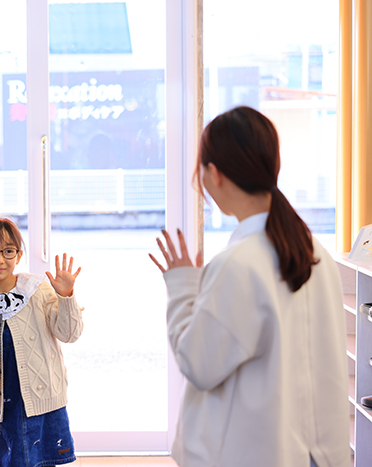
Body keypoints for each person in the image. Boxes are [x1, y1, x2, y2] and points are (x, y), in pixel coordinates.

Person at [149, 106, 349, 467]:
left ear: (214, 174)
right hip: (314, 453)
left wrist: (182, 286)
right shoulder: (314, 251)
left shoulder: (239, 264)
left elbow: (198, 363)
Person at [0, 218, 83, 467]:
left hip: (43, 403)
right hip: (5, 407)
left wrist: (66, 296)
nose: (0, 259)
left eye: (8, 251)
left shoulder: (36, 289)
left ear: (19, 255)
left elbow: (70, 334)